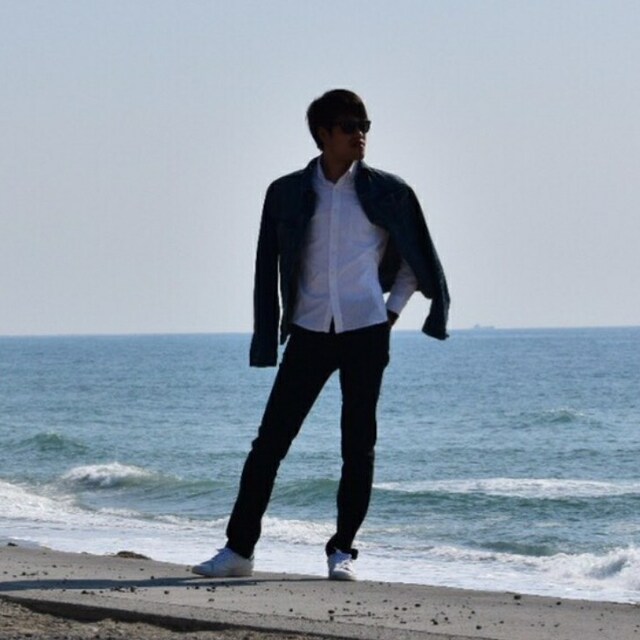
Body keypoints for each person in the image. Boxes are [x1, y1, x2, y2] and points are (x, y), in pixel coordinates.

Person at [193, 89, 449, 581]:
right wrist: (268, 332)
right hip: (309, 332)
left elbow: (416, 262)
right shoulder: (285, 192)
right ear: (323, 134)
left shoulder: (390, 192)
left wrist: (390, 312)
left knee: (358, 446)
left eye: (365, 126)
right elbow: (266, 267)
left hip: (366, 332)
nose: (360, 135)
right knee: (269, 444)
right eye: (350, 126)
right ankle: (238, 551)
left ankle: (343, 550)